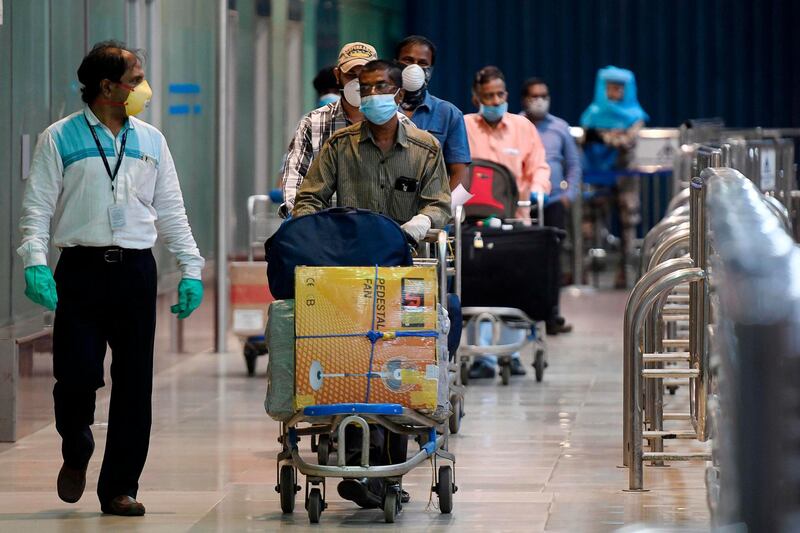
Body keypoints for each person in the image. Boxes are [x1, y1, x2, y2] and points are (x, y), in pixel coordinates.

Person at [16, 41, 204, 517]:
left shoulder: (152, 140)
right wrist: (34, 260)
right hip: (80, 270)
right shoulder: (58, 137)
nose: (144, 87)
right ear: (107, 86)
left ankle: (119, 486)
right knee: (75, 377)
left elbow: (172, 210)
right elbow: (37, 206)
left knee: (134, 384)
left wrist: (191, 269)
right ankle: (76, 445)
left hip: (137, 272)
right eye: (135, 78)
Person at [293, 59, 451, 508]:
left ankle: (385, 474)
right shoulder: (340, 146)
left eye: (382, 86)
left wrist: (420, 222)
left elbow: (439, 203)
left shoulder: (424, 148)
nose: (374, 94)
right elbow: (309, 197)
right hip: (347, 275)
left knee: (393, 368)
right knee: (351, 361)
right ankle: (359, 462)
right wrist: (319, 232)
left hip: (402, 271)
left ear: (399, 93)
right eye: (365, 87)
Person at [463, 66, 551, 379]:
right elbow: (456, 169)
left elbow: (539, 166)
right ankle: (482, 358)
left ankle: (512, 354)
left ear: (507, 96)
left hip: (516, 220)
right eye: (488, 96)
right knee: (477, 287)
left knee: (515, 286)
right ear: (476, 98)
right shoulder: (464, 127)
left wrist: (539, 189)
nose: (495, 100)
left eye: (500, 94)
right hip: (473, 222)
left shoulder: (522, 127)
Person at [280, 42, 414, 217]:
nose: (358, 83)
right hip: (325, 225)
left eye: (365, 75)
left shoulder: (401, 125)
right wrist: (305, 220)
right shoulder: (314, 123)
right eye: (351, 75)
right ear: (338, 75)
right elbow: (294, 179)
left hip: (384, 228)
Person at [579, 66, 649, 288]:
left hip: (625, 177)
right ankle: (585, 271)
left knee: (628, 223)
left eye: (619, 88)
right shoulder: (591, 113)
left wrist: (600, 136)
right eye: (610, 87)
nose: (614, 92)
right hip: (598, 175)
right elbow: (583, 140)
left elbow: (628, 141)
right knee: (589, 222)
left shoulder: (635, 116)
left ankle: (624, 271)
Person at [520, 77, 578, 335]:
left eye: (544, 95)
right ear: (524, 99)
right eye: (534, 96)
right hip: (523, 203)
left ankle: (552, 315)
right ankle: (523, 313)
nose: (539, 100)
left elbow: (574, 165)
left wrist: (570, 195)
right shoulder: (516, 125)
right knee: (523, 259)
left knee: (553, 260)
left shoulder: (560, 127)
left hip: (553, 201)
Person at [395, 35, 471, 189]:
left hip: (429, 204)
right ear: (395, 64)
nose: (414, 68)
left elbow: (460, 172)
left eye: (422, 63)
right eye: (408, 60)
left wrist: (441, 209)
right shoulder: (382, 109)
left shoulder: (449, 114)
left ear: (431, 70)